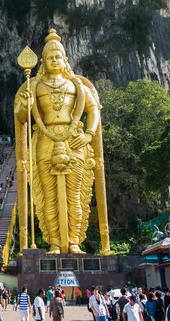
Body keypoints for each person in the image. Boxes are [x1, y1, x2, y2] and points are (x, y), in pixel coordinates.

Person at [14, 29, 110, 255]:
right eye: (49, 57)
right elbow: (20, 118)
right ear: (43, 62)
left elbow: (93, 109)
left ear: (65, 59)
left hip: (74, 140)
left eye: (58, 56)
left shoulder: (77, 85)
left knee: (75, 195)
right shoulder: (35, 87)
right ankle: (55, 243)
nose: (54, 60)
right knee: (48, 197)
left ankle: (74, 242)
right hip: (45, 141)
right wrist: (26, 105)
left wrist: (89, 133)